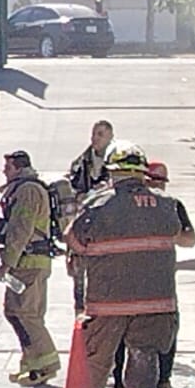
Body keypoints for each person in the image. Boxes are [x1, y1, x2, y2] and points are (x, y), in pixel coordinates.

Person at [65, 143, 195, 388]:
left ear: (114, 173)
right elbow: (184, 237)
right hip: (157, 299)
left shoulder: (98, 204)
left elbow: (73, 238)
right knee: (144, 352)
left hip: (108, 299)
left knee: (98, 355)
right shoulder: (166, 205)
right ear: (141, 173)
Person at [105, 160, 194, 388]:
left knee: (166, 333)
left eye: (160, 182)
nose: (156, 186)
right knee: (123, 336)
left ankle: (163, 382)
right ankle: (120, 387)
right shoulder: (129, 206)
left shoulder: (172, 206)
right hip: (127, 280)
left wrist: (166, 231)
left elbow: (190, 239)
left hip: (160, 280)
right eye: (152, 180)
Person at [0, 150, 60, 386]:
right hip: (26, 262)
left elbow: (21, 228)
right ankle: (30, 363)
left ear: (19, 168)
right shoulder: (23, 189)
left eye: (8, 167)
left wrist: (7, 263)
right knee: (16, 312)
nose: (4, 171)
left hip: (29, 263)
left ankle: (46, 363)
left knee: (25, 313)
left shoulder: (28, 191)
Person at [65, 120, 115, 312]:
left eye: (100, 134)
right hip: (83, 229)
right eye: (94, 134)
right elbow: (72, 198)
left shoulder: (118, 164)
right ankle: (80, 313)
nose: (95, 138)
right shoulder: (80, 164)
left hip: (108, 231)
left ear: (111, 136)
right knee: (79, 281)